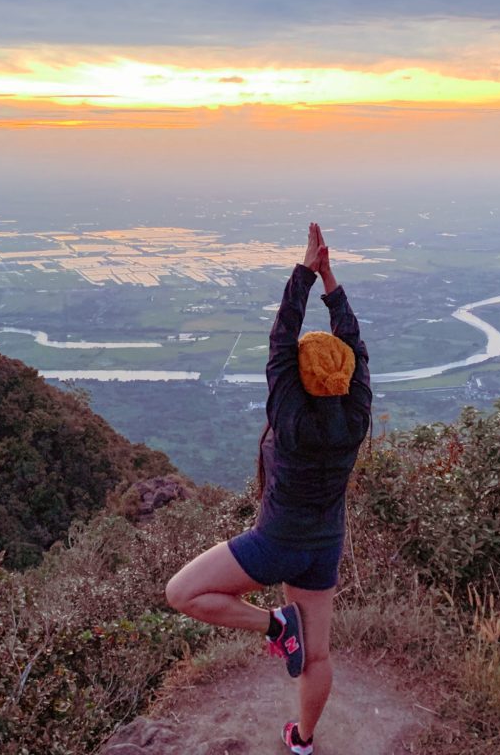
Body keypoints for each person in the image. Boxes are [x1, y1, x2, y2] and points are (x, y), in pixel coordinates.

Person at [166, 222, 372, 754]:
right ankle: (302, 742)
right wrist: (330, 281)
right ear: (346, 376)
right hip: (324, 545)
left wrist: (310, 271)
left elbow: (283, 337)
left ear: (299, 375)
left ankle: (276, 626)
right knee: (318, 654)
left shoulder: (290, 417)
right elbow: (353, 345)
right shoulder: (355, 416)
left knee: (181, 592)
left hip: (277, 540)